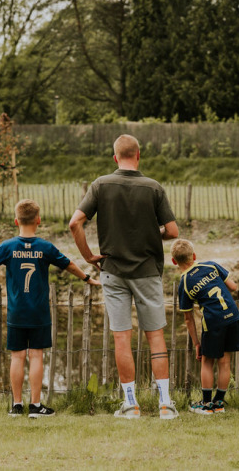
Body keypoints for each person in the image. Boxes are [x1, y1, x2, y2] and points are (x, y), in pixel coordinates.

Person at [0, 199, 100, 418]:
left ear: (16, 221)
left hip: (16, 312)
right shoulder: (45, 247)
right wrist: (87, 278)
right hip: (38, 312)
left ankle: (17, 405)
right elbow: (69, 264)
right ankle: (35, 406)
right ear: (38, 220)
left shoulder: (8, 247)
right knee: (36, 356)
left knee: (17, 357)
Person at [68, 134, 179, 419]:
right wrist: (153, 233)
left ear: (115, 157)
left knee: (121, 338)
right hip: (147, 272)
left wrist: (88, 257)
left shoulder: (100, 185)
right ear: (138, 155)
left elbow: (75, 223)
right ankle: (165, 404)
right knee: (156, 336)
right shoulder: (153, 187)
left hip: (113, 271)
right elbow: (173, 231)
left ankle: (131, 405)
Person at [170, 238, 239, 414]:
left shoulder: (185, 282)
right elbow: (233, 287)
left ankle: (206, 405)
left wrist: (197, 343)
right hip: (233, 316)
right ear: (194, 256)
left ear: (174, 261)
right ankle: (218, 404)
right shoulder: (211, 266)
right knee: (225, 361)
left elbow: (188, 318)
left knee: (207, 361)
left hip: (214, 322)